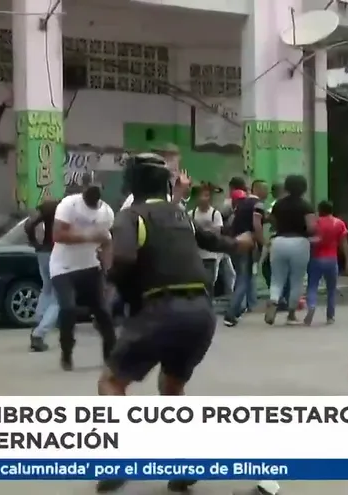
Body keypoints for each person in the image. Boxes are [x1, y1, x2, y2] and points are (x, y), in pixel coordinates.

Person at [96, 153, 254, 494]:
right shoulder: (180, 214)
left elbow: (122, 258)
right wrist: (239, 243)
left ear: (130, 184)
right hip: (201, 313)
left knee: (110, 383)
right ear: (166, 185)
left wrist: (113, 280)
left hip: (161, 309)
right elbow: (211, 239)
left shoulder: (130, 216)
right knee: (171, 388)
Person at [50, 178, 117, 371]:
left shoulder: (107, 213)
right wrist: (89, 236)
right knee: (68, 309)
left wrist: (108, 272)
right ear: (83, 188)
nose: (93, 192)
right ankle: (66, 352)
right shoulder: (69, 205)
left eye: (97, 188)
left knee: (103, 312)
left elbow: (106, 243)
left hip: (90, 267)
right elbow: (58, 235)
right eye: (90, 188)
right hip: (63, 268)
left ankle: (110, 357)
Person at [264, 175, 315, 325]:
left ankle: (274, 300)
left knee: (277, 278)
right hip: (299, 242)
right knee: (297, 279)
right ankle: (291, 314)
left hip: (279, 241)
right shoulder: (306, 206)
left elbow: (271, 220)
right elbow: (311, 227)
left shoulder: (278, 204)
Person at [223, 180, 267, 327]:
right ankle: (231, 313)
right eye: (265, 189)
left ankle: (235, 311)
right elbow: (256, 224)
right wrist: (263, 242)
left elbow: (231, 223)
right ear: (258, 189)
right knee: (244, 279)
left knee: (241, 278)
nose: (267, 192)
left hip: (235, 243)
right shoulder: (258, 205)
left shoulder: (241, 204)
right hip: (247, 244)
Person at [305, 200, 348, 325]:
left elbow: (310, 239)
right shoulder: (339, 223)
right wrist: (347, 262)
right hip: (332, 259)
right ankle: (330, 316)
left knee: (312, 285)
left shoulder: (316, 223)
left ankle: (312, 305)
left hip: (316, 258)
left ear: (319, 210)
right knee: (331, 289)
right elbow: (344, 243)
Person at [26, 199, 60, 352]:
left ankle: (38, 320)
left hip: (43, 251)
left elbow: (29, 224)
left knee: (46, 288)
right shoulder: (69, 207)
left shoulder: (49, 206)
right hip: (57, 252)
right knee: (59, 296)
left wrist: (34, 242)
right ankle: (39, 333)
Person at [189, 185, 224, 294]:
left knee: (209, 283)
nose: (204, 198)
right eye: (202, 196)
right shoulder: (191, 214)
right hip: (196, 255)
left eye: (207, 196)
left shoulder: (215, 214)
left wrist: (204, 230)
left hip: (210, 255)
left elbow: (217, 233)